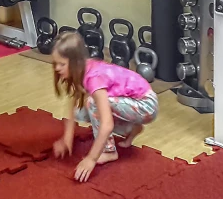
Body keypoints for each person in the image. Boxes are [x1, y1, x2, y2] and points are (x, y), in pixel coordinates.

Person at [51, 31, 159, 182]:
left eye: (62, 64)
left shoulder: (93, 78)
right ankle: (131, 128)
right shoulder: (83, 69)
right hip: (134, 103)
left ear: (76, 62)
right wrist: (67, 138)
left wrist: (91, 158)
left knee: (93, 104)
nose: (57, 68)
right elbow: (74, 101)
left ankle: (109, 151)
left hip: (146, 105)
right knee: (81, 111)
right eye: (55, 63)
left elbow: (107, 124)